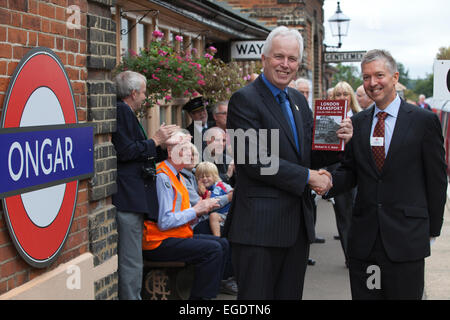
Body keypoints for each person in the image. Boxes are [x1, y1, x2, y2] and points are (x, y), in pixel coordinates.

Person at [225, 26, 353, 300]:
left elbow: (309, 153)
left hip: (296, 228)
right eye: (279, 57)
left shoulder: (296, 99)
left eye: (292, 59)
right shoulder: (244, 99)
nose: (285, 65)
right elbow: (254, 161)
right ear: (264, 58)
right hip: (258, 232)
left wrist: (339, 141)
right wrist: (309, 177)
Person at [322, 49, 447, 299]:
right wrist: (327, 181)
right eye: (366, 77)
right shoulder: (358, 122)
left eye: (379, 75)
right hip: (366, 241)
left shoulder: (423, 121)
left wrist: (431, 229)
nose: (372, 83)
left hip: (406, 240)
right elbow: (351, 171)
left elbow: (436, 179)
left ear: (394, 77)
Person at [112, 70, 179, 300]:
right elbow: (126, 152)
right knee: (131, 261)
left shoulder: (127, 112)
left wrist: (161, 146)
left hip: (133, 199)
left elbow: (139, 153)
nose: (145, 97)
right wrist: (155, 141)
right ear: (132, 93)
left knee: (133, 260)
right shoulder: (122, 111)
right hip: (128, 198)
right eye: (143, 92)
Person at [142, 131, 230, 300]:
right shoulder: (163, 176)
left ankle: (209, 293)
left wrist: (200, 210)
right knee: (214, 250)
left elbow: (183, 215)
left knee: (223, 243)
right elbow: (165, 221)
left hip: (175, 235)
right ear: (170, 152)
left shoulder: (179, 176)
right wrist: (196, 210)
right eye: (185, 150)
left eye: (191, 151)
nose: (190, 155)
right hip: (157, 241)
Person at [327, 81, 361, 267]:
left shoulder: (360, 117)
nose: (341, 98)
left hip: (359, 172)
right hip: (338, 171)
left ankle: (360, 252)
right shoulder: (328, 117)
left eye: (345, 94)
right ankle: (350, 256)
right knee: (343, 214)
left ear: (351, 96)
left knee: (359, 212)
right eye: (338, 94)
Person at [195, 161, 233, 237]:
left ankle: (218, 238)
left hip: (226, 214)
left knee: (214, 216)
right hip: (211, 217)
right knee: (213, 216)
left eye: (208, 176)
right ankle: (217, 237)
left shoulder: (221, 185)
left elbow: (232, 193)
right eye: (201, 177)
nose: (205, 178)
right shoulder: (198, 191)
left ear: (214, 176)